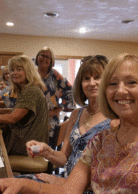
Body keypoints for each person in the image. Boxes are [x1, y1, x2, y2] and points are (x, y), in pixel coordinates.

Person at [0, 53, 138, 194]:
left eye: (131, 82)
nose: (120, 90)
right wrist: (22, 183)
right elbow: (69, 184)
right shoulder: (101, 139)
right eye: (112, 83)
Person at [16, 57, 110, 190]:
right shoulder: (76, 114)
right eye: (86, 78)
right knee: (13, 184)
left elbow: (112, 176)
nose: (92, 83)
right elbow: (65, 157)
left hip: (90, 189)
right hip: (65, 183)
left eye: (97, 77)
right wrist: (47, 151)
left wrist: (63, 183)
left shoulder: (115, 119)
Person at [0, 55, 49, 156]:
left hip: (29, 146)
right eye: (12, 70)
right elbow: (16, 111)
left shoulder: (31, 91)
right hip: (29, 139)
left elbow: (13, 118)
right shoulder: (27, 89)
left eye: (19, 69)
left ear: (28, 71)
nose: (14, 73)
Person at [35, 47, 76, 137]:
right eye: (42, 55)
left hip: (50, 120)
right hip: (31, 119)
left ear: (51, 61)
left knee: (46, 148)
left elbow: (70, 90)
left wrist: (59, 109)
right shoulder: (31, 74)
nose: (44, 59)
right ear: (38, 57)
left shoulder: (55, 75)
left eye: (47, 57)